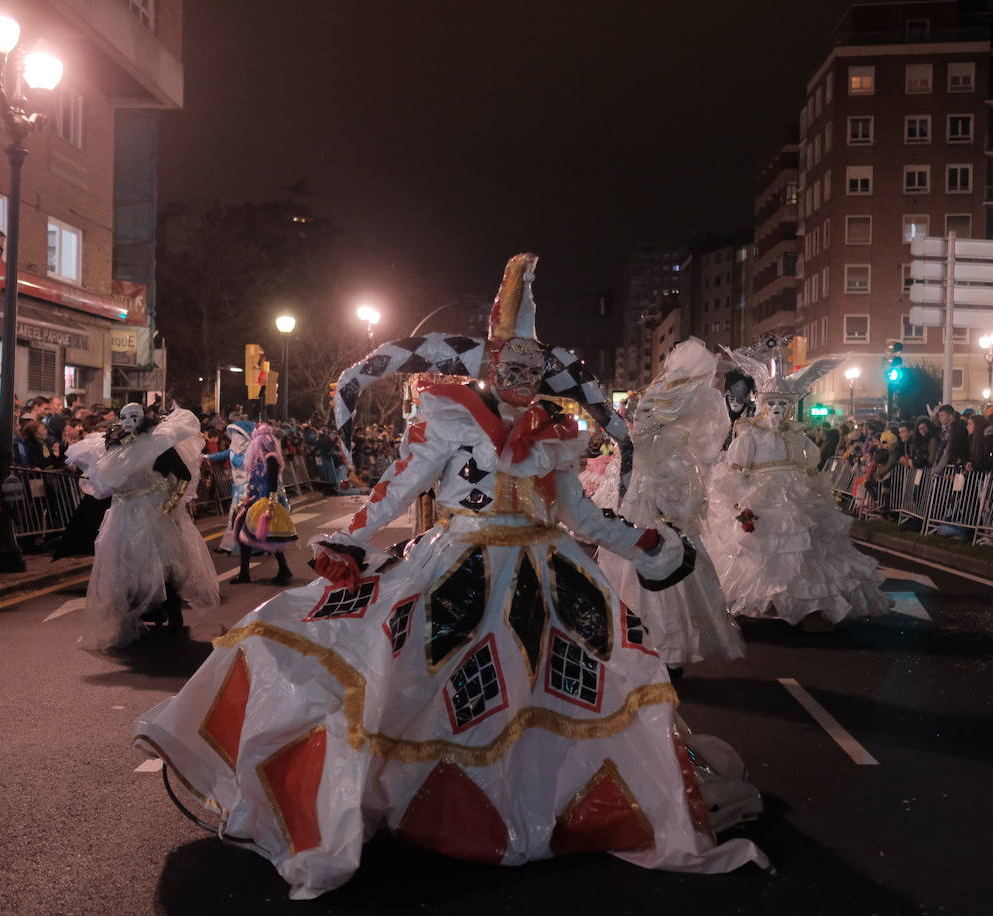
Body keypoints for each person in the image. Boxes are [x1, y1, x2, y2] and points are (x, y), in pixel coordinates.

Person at [133, 254, 767, 900]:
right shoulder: (449, 419)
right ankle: (435, 808)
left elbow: (581, 516)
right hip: (458, 565)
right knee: (399, 677)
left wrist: (644, 544)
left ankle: (546, 808)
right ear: (491, 366)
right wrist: (351, 535)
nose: (523, 377)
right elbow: (397, 486)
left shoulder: (556, 435)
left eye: (535, 367)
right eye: (512, 365)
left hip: (551, 579)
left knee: (578, 687)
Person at [705, 349, 891, 631]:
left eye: (782, 402)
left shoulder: (799, 436)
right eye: (773, 402)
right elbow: (735, 470)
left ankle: (810, 607)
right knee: (760, 554)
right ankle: (755, 604)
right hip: (762, 502)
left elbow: (812, 465)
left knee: (805, 552)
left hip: (798, 499)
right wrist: (739, 503)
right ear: (764, 405)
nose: (778, 408)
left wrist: (818, 495)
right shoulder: (750, 435)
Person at [594, 338, 745, 677]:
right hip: (654, 509)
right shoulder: (679, 436)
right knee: (661, 573)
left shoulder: (657, 416)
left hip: (645, 511)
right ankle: (660, 654)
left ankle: (650, 653)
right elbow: (701, 459)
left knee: (648, 573)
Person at [65, 403, 219, 649]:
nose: (128, 421)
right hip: (123, 513)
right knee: (122, 565)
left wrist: (169, 504)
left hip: (152, 511)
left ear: (144, 418)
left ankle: (171, 610)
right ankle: (131, 617)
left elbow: (184, 476)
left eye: (133, 416)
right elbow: (106, 480)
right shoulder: (115, 445)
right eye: (123, 417)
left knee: (160, 564)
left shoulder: (158, 444)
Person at [229, 422, 296, 585]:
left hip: (265, 503)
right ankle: (246, 573)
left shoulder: (270, 458)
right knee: (246, 537)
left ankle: (283, 570)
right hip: (253, 502)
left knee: (270, 539)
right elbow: (253, 481)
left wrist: (270, 504)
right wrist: (247, 498)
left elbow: (272, 483)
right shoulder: (259, 459)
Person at [204, 419, 254, 553]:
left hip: (248, 490)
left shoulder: (252, 452)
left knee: (247, 519)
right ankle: (229, 546)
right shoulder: (232, 451)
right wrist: (205, 456)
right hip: (238, 489)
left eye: (238, 435)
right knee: (236, 518)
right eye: (234, 435)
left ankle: (246, 547)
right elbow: (219, 455)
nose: (235, 438)